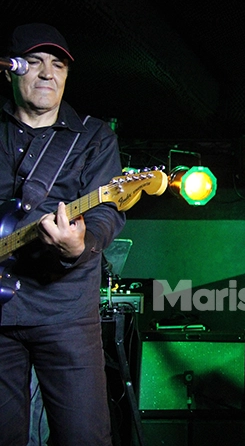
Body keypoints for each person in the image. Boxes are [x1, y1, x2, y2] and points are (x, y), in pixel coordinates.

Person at [0, 23, 126, 445]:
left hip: (64, 311)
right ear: (10, 70)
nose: (47, 74)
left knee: (83, 436)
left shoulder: (94, 137)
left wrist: (80, 245)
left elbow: (107, 210)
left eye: (58, 65)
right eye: (34, 62)